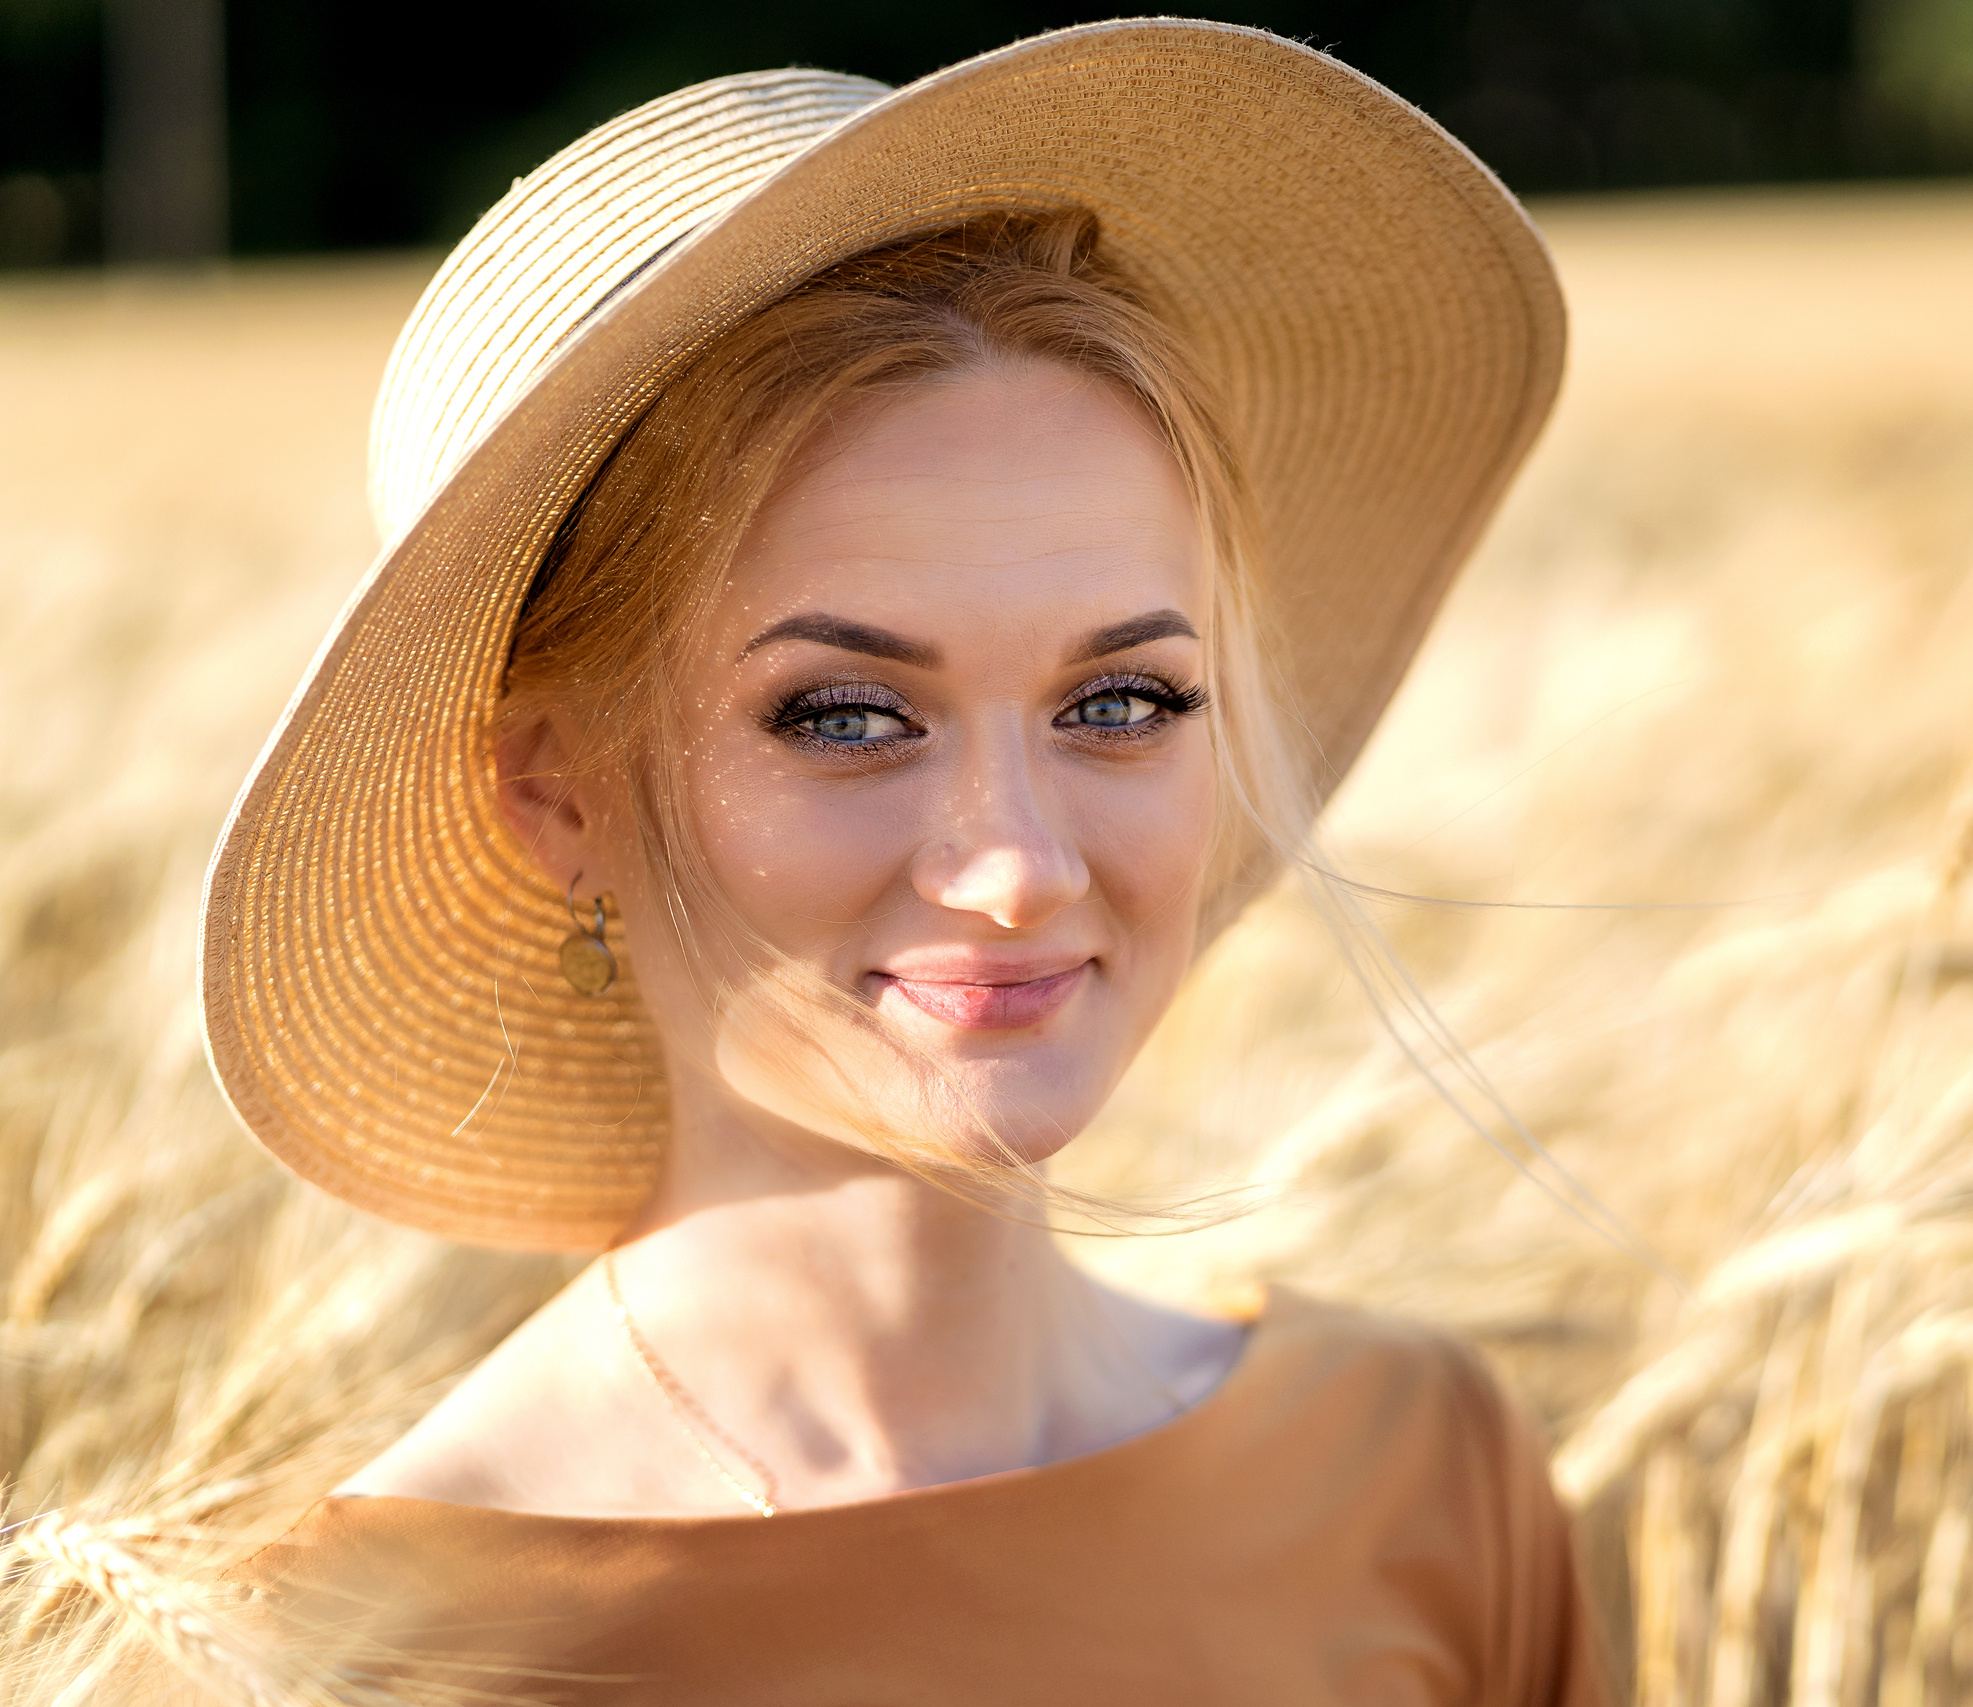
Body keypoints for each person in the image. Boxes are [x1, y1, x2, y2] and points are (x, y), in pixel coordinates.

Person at [204, 20, 1593, 1704]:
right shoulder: (361, 1658)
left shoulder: (1414, 1475)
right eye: (850, 716)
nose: (1015, 866)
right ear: (553, 789)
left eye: (1124, 697)